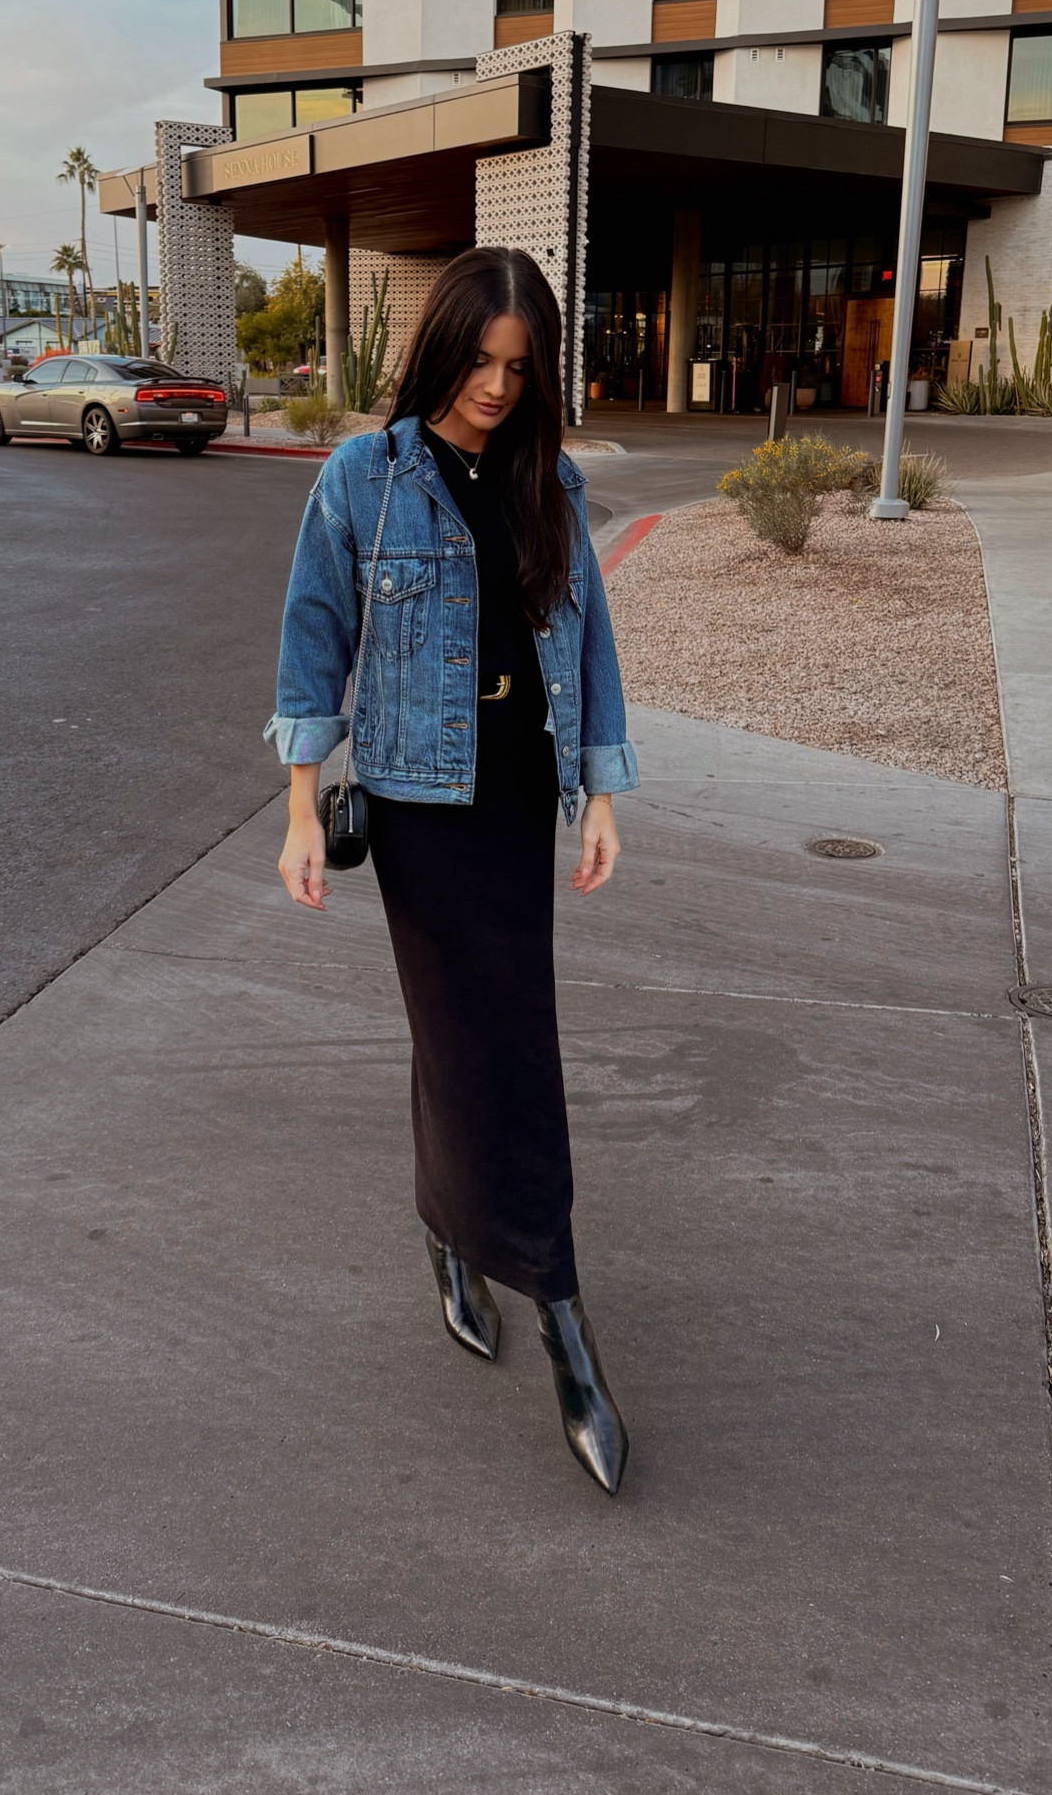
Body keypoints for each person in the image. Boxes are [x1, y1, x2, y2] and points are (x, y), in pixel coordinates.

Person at [266, 246, 639, 1495]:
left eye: (519, 368)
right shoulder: (363, 479)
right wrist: (300, 809)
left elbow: (587, 636)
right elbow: (314, 640)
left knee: (494, 1042)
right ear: (440, 349)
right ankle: (564, 1317)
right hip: (421, 809)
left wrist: (600, 792)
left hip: (518, 798)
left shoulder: (548, 477)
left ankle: (457, 1233)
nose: (496, 387)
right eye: (480, 361)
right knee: (479, 1045)